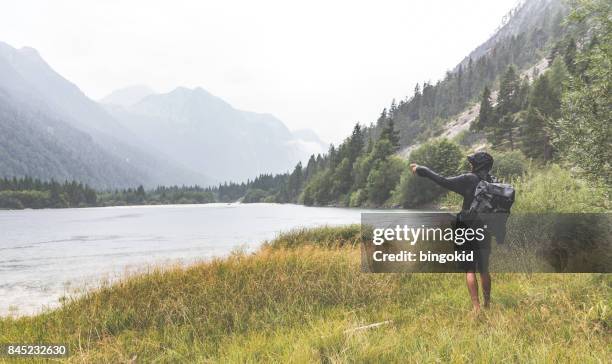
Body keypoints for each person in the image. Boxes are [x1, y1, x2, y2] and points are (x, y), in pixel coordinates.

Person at [410, 151, 494, 313]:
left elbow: (443, 181)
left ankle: (476, 308)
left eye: (472, 162)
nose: (470, 164)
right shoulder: (491, 182)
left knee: (470, 269)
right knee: (484, 268)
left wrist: (423, 170)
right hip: (485, 229)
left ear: (477, 165)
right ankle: (487, 305)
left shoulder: (469, 179)